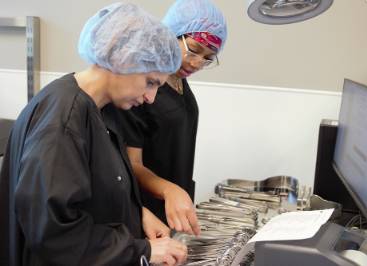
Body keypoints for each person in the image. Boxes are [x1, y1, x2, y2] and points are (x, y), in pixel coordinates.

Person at [0, 2, 188, 266]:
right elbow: (54, 233)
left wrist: (137, 214)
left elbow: (95, 190)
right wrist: (142, 250)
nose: (150, 97)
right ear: (124, 60)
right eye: (150, 82)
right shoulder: (63, 120)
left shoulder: (96, 108)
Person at [102, 0, 227, 236]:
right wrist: (169, 190)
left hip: (172, 209)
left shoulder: (179, 79)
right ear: (171, 34)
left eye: (208, 57)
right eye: (194, 49)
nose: (198, 62)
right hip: (143, 215)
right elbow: (130, 165)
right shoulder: (138, 91)